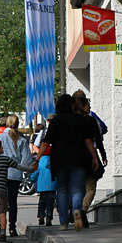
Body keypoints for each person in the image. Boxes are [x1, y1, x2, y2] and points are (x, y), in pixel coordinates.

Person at [36, 94, 99, 232]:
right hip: (78, 160)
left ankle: (63, 222)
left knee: (63, 190)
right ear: (71, 105)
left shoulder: (57, 121)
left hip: (60, 161)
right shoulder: (80, 120)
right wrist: (94, 158)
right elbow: (88, 141)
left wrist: (37, 158)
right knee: (78, 189)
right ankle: (76, 210)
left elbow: (46, 143)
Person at [0, 138, 36, 242]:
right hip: (1, 189)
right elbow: (19, 166)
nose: (2, 148)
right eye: (1, 146)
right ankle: (3, 232)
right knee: (2, 210)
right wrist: (31, 169)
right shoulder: (5, 159)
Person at [0, 114, 32, 237]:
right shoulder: (21, 140)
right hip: (15, 173)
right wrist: (27, 172)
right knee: (12, 202)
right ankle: (12, 228)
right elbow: (26, 159)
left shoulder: (0, 137)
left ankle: (0, 226)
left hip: (1, 173)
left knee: (1, 201)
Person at [76, 96, 107, 228]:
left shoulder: (70, 121)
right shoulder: (90, 121)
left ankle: (73, 211)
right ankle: (82, 209)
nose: (89, 108)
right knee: (90, 186)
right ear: (83, 107)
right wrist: (102, 155)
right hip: (88, 156)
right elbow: (97, 139)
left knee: (76, 187)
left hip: (73, 157)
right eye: (88, 106)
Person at [31, 143, 56, 226]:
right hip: (52, 185)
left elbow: (36, 172)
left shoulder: (41, 161)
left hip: (42, 186)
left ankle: (41, 216)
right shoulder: (54, 161)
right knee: (50, 202)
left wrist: (32, 179)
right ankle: (49, 217)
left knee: (42, 201)